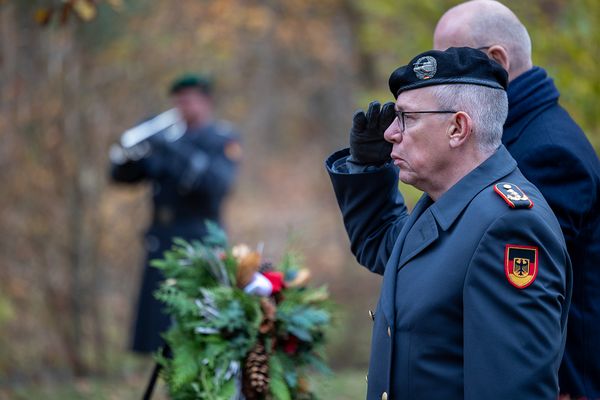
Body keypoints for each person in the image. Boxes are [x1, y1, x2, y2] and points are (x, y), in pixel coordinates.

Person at [326, 47, 571, 399]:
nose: (391, 133)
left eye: (407, 118)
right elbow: (384, 245)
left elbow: (512, 390)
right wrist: (367, 170)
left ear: (458, 128)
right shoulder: (447, 202)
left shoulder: (509, 228)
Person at [433, 2, 600, 397]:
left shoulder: (547, 150)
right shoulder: (509, 137)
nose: (438, 78)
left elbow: (524, 297)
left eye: (451, 61)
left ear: (497, 60)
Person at [110, 74, 242, 353]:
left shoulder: (220, 139)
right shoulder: (163, 141)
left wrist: (171, 146)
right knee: (161, 329)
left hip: (200, 241)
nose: (182, 106)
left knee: (201, 325)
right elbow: (121, 177)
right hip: (162, 241)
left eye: (188, 99)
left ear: (206, 102)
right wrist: (132, 151)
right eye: (178, 100)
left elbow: (217, 184)